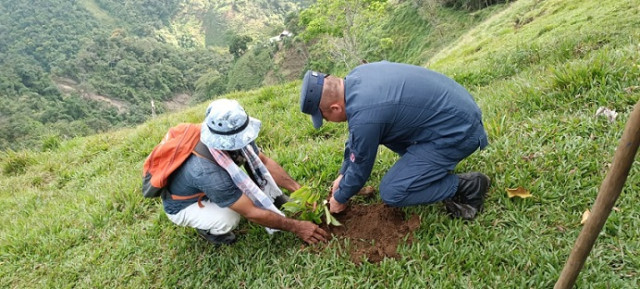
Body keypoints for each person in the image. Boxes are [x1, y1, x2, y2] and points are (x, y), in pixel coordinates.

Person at [299, 61, 491, 220]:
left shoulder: (366, 116)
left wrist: (340, 198)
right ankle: (431, 171)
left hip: (460, 132)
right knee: (387, 132)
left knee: (392, 192)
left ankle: (467, 185)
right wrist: (343, 174)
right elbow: (356, 141)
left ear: (334, 108)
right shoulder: (358, 76)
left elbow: (361, 168)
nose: (327, 121)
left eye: (324, 117)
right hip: (456, 114)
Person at [163, 98, 329, 245]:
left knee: (243, 191)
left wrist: (299, 190)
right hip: (184, 204)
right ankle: (208, 229)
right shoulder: (207, 172)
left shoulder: (227, 130)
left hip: (207, 183)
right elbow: (251, 212)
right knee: (229, 219)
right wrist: (297, 227)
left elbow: (263, 161)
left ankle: (268, 198)